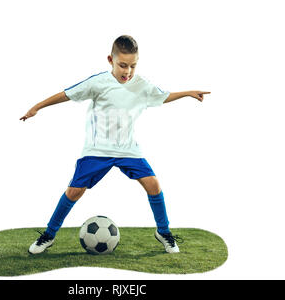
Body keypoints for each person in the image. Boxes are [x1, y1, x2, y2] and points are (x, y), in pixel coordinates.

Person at [20, 35, 210, 254]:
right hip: (97, 150)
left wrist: (187, 93)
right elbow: (66, 94)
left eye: (132, 66)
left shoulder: (141, 85)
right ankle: (49, 235)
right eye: (122, 65)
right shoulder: (98, 83)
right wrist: (37, 107)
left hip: (128, 150)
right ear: (110, 60)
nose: (127, 71)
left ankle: (164, 232)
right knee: (74, 192)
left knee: (153, 185)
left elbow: (163, 96)